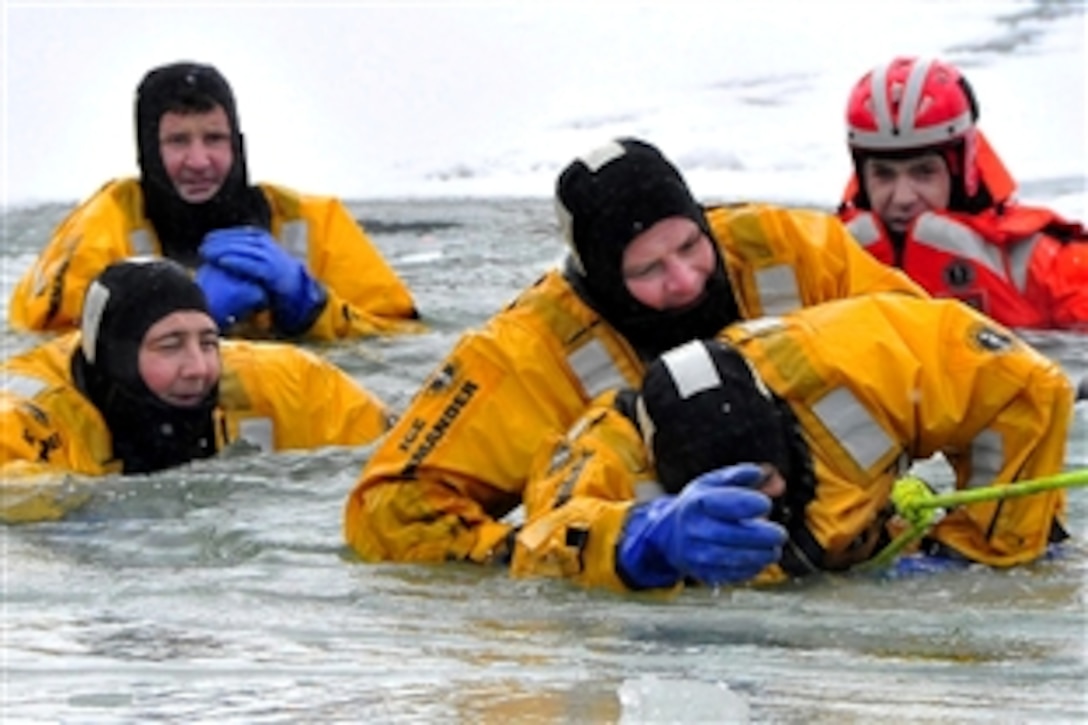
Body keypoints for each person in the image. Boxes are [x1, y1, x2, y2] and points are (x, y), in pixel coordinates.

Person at [343, 136, 927, 565]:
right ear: (601, 280)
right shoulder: (530, 352)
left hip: (860, 549)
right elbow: (389, 511)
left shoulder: (793, 252)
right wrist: (612, 547)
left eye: (691, 245)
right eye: (647, 268)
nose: (685, 280)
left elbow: (934, 345)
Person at [511, 294, 1075, 592]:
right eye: (740, 488)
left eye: (766, 472)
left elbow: (1029, 385)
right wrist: (645, 540)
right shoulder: (601, 449)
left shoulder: (842, 362)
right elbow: (539, 548)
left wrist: (980, 555)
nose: (765, 498)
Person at [8, 60, 421, 340]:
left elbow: (405, 345)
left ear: (238, 145)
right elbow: (42, 355)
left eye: (214, 138)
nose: (199, 160)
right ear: (148, 151)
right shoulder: (103, 229)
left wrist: (311, 309)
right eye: (177, 141)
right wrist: (188, 319)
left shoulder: (315, 223)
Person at [1, 258, 395, 523]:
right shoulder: (28, 413)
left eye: (208, 341)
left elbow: (398, 457)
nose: (199, 368)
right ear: (114, 357)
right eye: (170, 346)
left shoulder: (286, 381)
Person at [838, 55, 1088, 331]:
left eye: (924, 172)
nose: (903, 198)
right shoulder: (823, 261)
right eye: (884, 174)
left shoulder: (1050, 262)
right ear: (862, 175)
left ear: (962, 171)